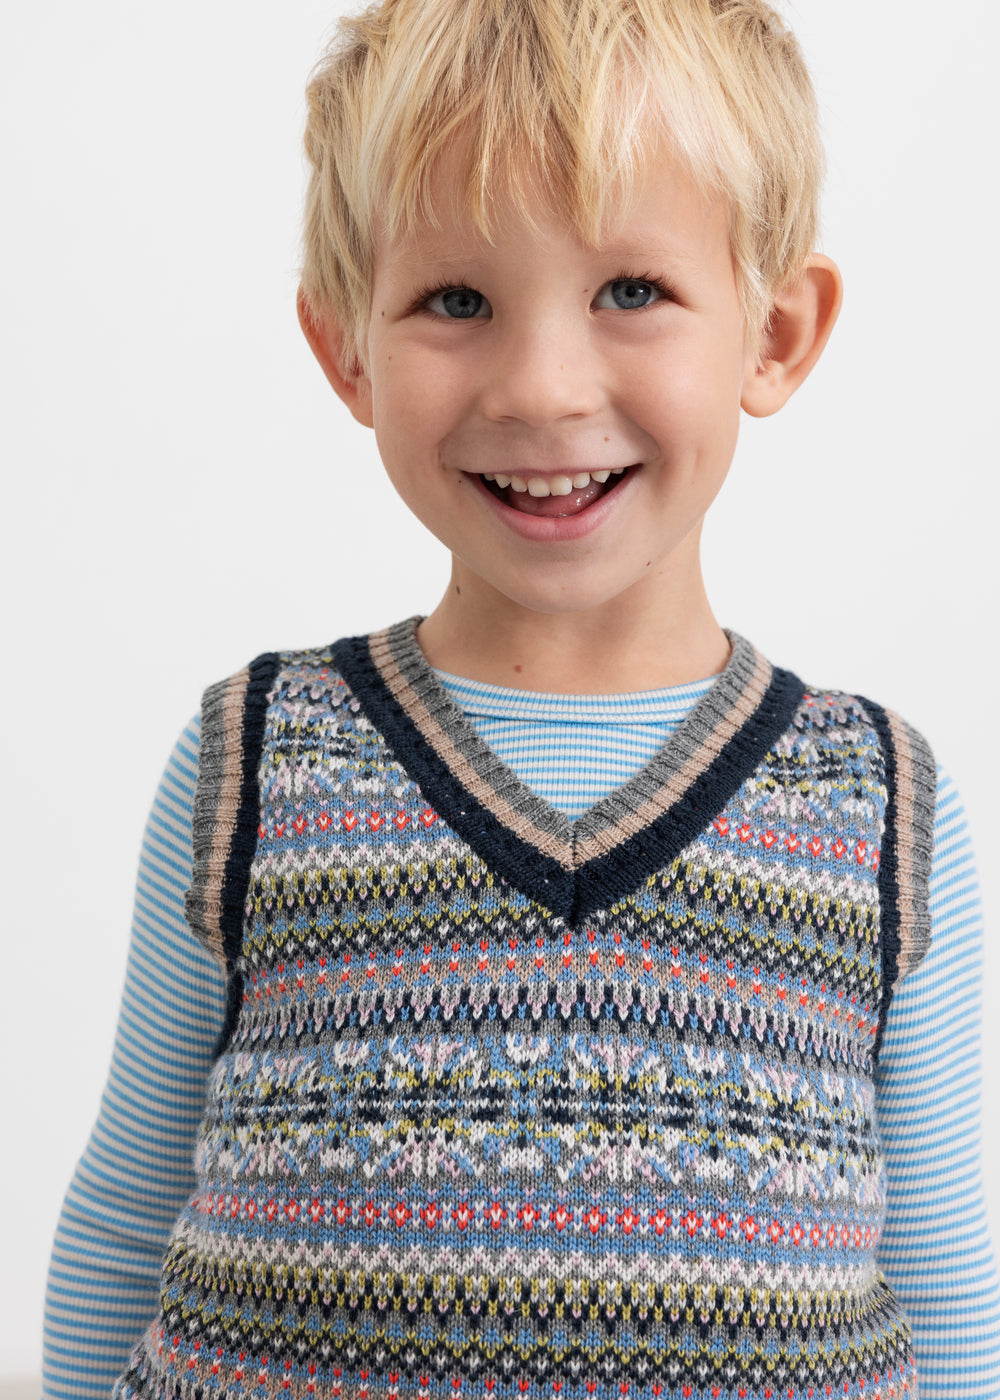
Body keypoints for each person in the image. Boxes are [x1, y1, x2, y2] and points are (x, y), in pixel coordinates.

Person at [42, 0, 1000, 1396]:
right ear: (346, 349)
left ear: (775, 332)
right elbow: (126, 1215)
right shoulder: (253, 761)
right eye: (456, 301)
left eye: (632, 291)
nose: (543, 390)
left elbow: (942, 1268)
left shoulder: (879, 803)